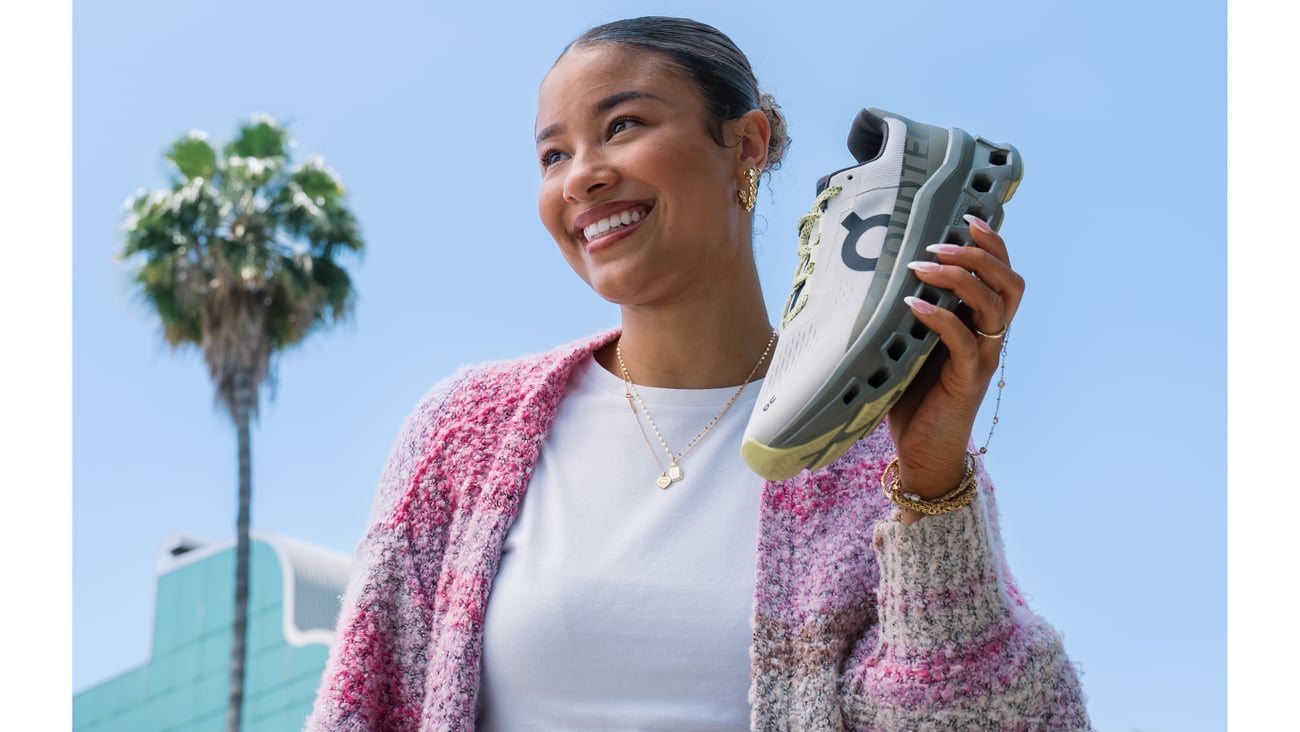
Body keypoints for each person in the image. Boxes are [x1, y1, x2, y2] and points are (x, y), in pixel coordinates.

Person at [306, 16, 1090, 731]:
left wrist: (928, 487)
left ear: (747, 145)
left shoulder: (877, 456)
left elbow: (996, 720)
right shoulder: (465, 432)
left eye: (622, 125)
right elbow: (361, 706)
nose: (580, 176)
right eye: (553, 154)